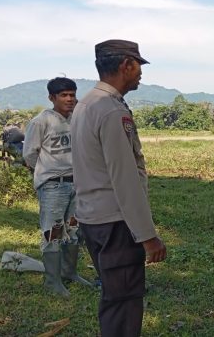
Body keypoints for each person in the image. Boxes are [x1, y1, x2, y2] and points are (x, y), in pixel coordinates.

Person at [71, 39, 166, 336]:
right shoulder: (111, 111)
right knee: (123, 305)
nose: (141, 73)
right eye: (138, 66)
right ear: (126, 65)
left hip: (92, 219)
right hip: (115, 224)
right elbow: (124, 179)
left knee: (114, 297)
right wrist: (148, 236)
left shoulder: (86, 104)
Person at [23, 77, 92, 297]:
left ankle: (69, 273)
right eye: (64, 95)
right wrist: (47, 172)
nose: (69, 99)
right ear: (52, 97)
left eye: (72, 94)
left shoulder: (77, 119)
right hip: (53, 186)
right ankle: (52, 282)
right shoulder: (41, 121)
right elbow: (29, 154)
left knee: (73, 229)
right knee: (53, 232)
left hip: (76, 184)